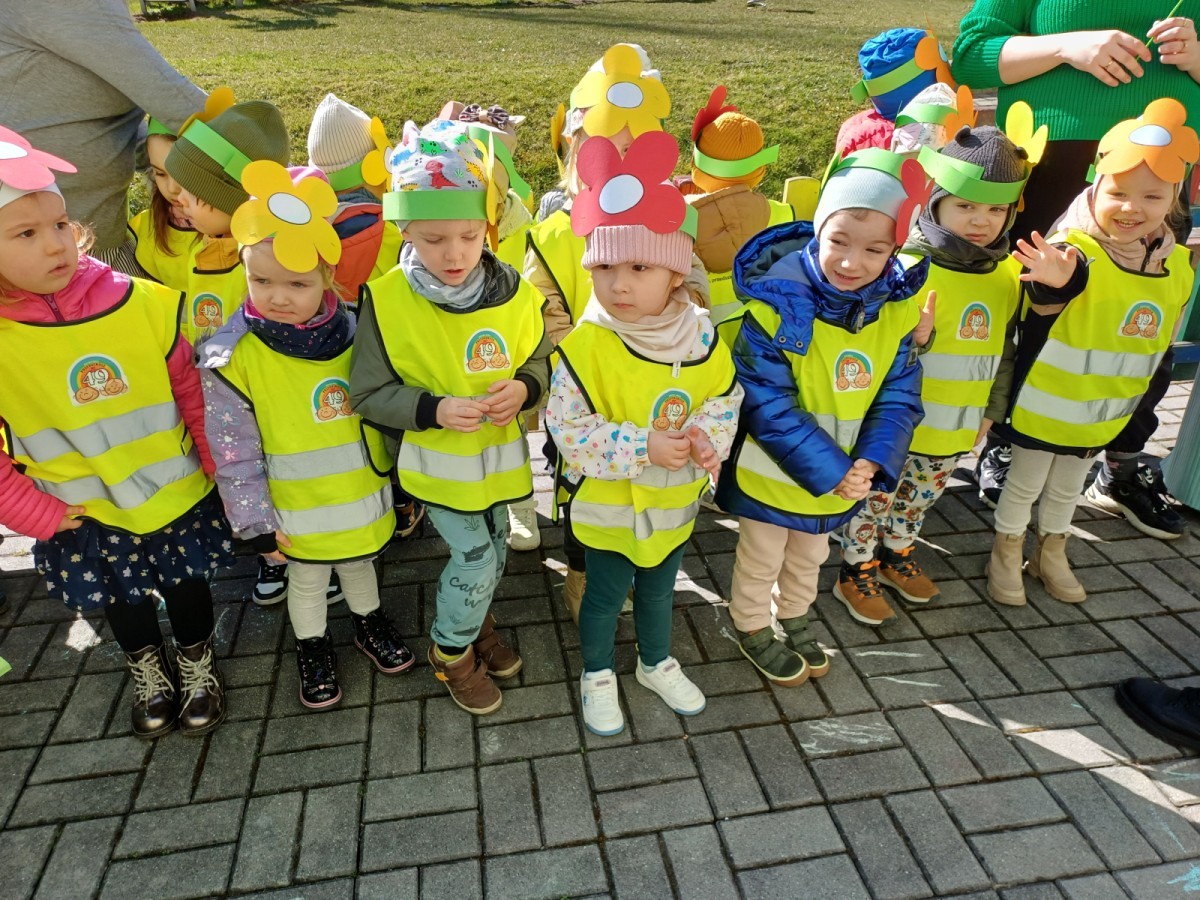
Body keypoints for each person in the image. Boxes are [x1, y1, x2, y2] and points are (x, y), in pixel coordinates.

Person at [0, 126, 233, 737]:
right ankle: (147, 667)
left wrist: (217, 464)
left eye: (59, 224)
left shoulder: (140, 303)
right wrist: (33, 512)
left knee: (188, 587)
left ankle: (197, 661)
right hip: (83, 511)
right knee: (122, 600)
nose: (55, 244)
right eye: (25, 233)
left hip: (174, 492)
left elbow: (191, 391)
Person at [953, 1, 1200, 536]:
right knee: (1034, 311)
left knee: (1142, 321)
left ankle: (1121, 466)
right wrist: (1067, 46)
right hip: (1052, 156)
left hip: (1161, 173)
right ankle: (1010, 445)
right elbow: (970, 55)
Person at [350, 119, 552, 716]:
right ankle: (451, 651)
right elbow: (368, 393)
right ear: (405, 229)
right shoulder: (388, 300)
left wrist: (526, 387)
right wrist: (432, 409)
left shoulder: (515, 289)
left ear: (488, 225)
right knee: (477, 558)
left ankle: (476, 623)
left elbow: (540, 354)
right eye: (434, 239)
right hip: (437, 467)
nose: (456, 253)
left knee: (494, 547)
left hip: (496, 463)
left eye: (468, 235)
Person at [547, 131, 741, 735]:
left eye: (639, 267)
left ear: (676, 274)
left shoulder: (701, 336)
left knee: (660, 590)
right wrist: (642, 446)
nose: (619, 285)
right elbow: (568, 428)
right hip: (608, 507)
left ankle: (655, 662)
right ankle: (597, 672)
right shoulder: (585, 346)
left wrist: (706, 438)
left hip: (672, 501)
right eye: (604, 267)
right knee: (605, 596)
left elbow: (724, 397)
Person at [200, 162, 413, 709]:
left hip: (359, 492)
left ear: (328, 277)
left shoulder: (359, 328)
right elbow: (233, 450)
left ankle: (368, 623)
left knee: (361, 563)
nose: (277, 296)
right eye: (261, 281)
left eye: (297, 283)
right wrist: (255, 524)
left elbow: (386, 405)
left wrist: (402, 481)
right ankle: (312, 646)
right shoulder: (234, 358)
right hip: (293, 507)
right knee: (310, 580)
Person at [715, 149, 929, 682]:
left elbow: (898, 395)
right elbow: (767, 404)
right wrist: (836, 471)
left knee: (810, 556)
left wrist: (872, 461)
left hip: (841, 479)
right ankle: (750, 625)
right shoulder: (774, 308)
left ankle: (793, 616)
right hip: (775, 476)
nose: (852, 263)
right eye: (839, 241)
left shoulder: (895, 313)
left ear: (895, 250)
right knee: (761, 556)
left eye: (874, 249)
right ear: (818, 231)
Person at [986, 98, 1198, 607]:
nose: (1131, 208)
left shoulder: (1174, 264)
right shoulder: (1075, 249)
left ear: (1172, 201)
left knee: (1069, 487)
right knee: (1025, 484)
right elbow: (1055, 284)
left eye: (1151, 196)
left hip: (1102, 411)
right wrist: (1054, 280)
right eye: (1117, 193)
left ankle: (1051, 551)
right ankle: (1005, 552)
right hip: (1045, 407)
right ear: (1094, 188)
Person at [526, 44, 710, 612]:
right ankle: (582, 570)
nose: (621, 164)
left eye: (634, 151)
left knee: (647, 484)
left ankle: (635, 558)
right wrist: (583, 363)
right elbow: (543, 308)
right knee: (581, 484)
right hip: (586, 390)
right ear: (578, 155)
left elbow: (692, 282)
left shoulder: (668, 222)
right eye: (606, 150)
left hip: (655, 384)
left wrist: (678, 311)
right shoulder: (555, 234)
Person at [837, 121, 1034, 615]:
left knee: (918, 500)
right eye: (965, 205)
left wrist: (991, 411)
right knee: (874, 499)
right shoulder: (904, 267)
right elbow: (863, 349)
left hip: (954, 428)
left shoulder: (1007, 275)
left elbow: (1004, 352)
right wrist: (914, 340)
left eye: (995, 210)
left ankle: (896, 553)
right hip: (894, 427)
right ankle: (856, 566)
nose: (981, 221)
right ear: (937, 201)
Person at [0, 0, 206, 272]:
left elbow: (117, 114)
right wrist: (256, 164)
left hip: (94, 247)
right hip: (36, 263)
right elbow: (184, 106)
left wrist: (163, 172)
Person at [307, 93, 425, 542]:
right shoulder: (393, 228)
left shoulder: (308, 233)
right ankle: (405, 501)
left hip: (331, 354)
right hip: (391, 358)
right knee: (394, 429)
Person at [164, 99, 291, 350]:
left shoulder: (263, 266)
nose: (180, 199)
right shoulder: (208, 245)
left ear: (232, 200)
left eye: (194, 191)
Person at [685, 86, 794, 322]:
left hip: (700, 335)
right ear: (760, 169)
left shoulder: (680, 219)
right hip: (761, 333)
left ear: (696, 164)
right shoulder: (784, 216)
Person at [128, 90, 235, 291]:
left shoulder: (240, 224)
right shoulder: (148, 228)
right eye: (160, 174)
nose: (172, 189)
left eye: (182, 174)